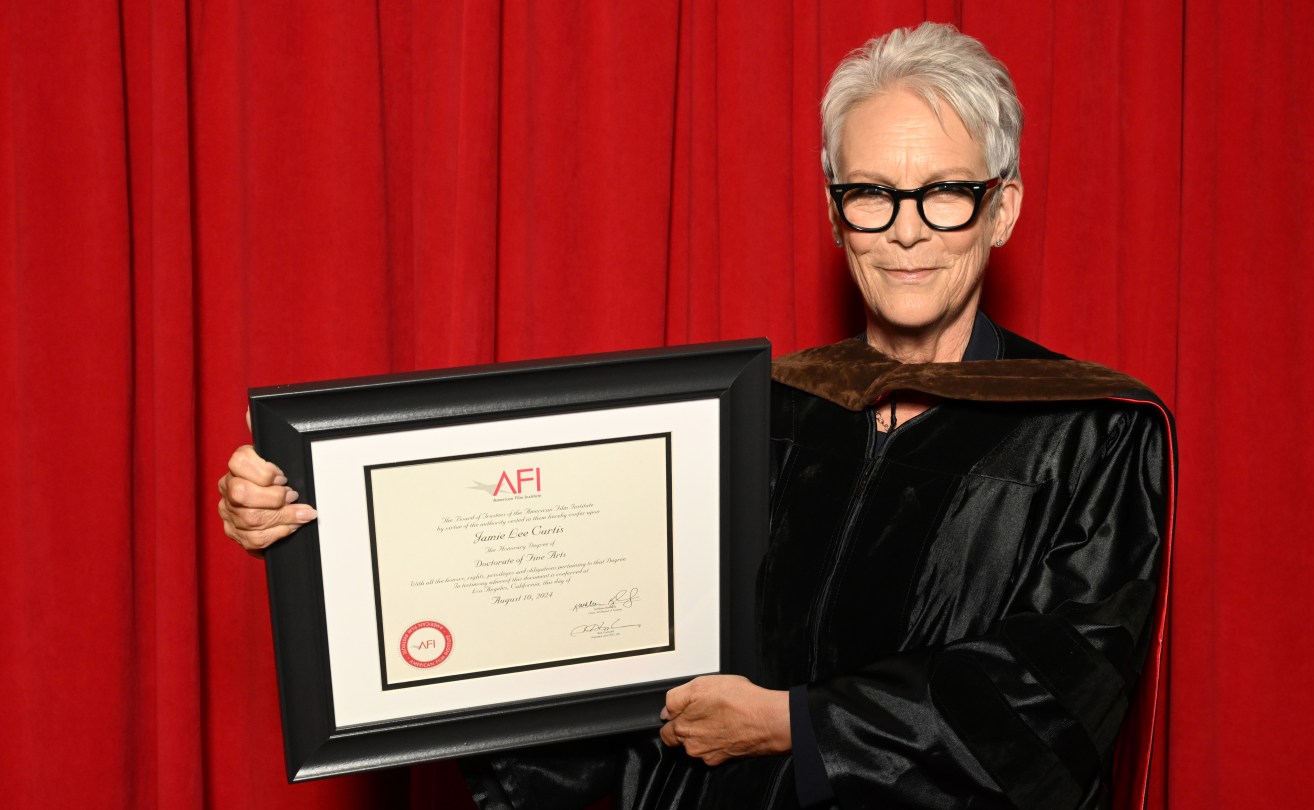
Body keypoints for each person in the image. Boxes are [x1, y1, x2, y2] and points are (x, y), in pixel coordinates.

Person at [219, 22, 1174, 810]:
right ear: (836, 212)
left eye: (946, 195)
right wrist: (326, 522)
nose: (908, 228)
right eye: (872, 195)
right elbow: (578, 605)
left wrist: (798, 725)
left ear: (1001, 209)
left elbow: (1054, 692)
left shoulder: (1091, 432)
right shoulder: (765, 416)